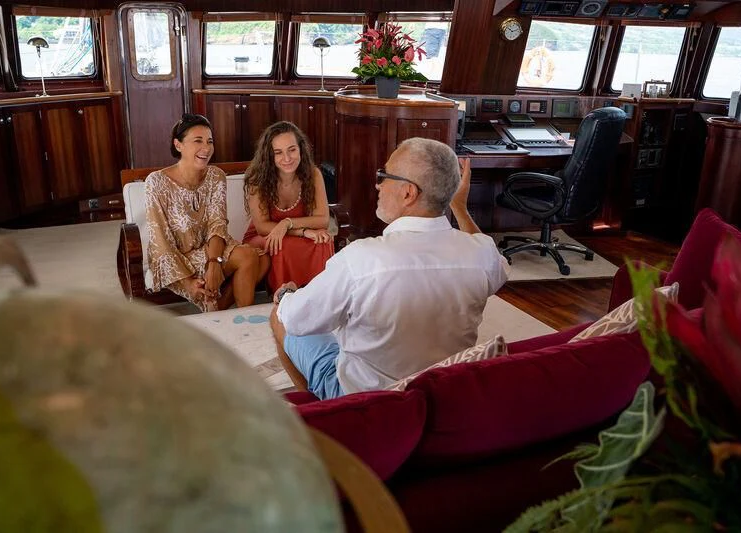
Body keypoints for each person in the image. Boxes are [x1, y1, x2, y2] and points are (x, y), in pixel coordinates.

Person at [269, 137, 509, 400]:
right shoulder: (481, 254)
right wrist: (459, 208)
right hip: (441, 392)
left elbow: (295, 319)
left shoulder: (361, 259)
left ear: (408, 192)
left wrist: (285, 298)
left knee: (280, 318)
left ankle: (327, 415)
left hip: (367, 401)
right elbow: (494, 261)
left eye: (384, 175)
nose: (378, 184)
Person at [146, 113, 270, 312]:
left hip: (212, 248)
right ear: (178, 145)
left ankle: (226, 313)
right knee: (250, 257)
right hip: (179, 257)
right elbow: (160, 241)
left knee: (259, 257)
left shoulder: (216, 176)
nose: (206, 148)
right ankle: (221, 309)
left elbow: (217, 224)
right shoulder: (156, 182)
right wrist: (187, 282)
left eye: (209, 141)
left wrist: (214, 263)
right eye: (198, 141)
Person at [243, 121, 334, 291]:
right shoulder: (258, 179)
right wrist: (303, 231)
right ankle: (284, 298)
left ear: (301, 149)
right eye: (278, 153)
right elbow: (262, 227)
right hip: (263, 235)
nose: (287, 158)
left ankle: (317, 296)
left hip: (292, 232)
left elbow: (323, 220)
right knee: (282, 243)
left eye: (292, 150)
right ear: (270, 156)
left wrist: (286, 223)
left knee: (323, 240)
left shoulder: (313, 174)